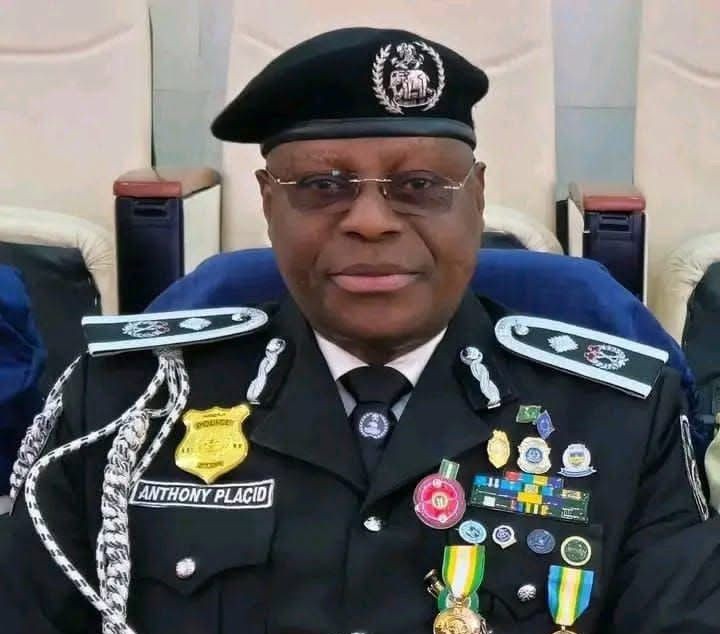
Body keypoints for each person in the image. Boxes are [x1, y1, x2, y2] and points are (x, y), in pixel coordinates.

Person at [1, 27, 718, 634]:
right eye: (322, 187)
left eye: (420, 187)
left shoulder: (620, 417)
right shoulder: (126, 402)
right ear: (267, 205)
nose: (371, 222)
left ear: (476, 199)